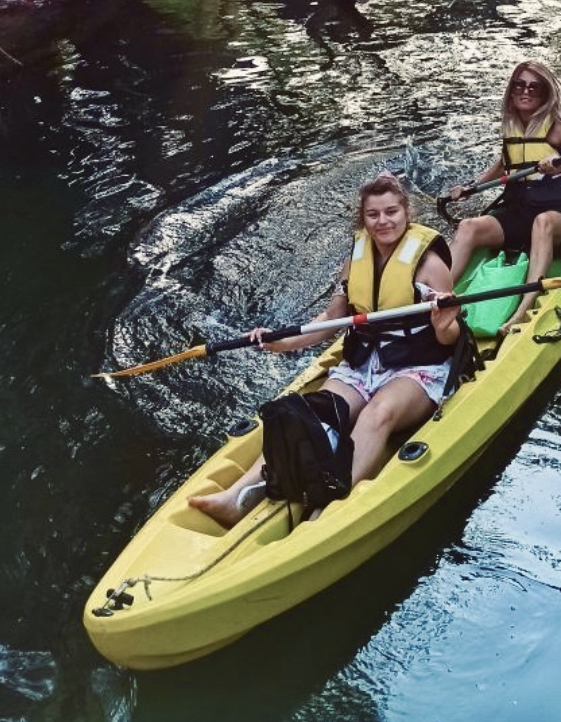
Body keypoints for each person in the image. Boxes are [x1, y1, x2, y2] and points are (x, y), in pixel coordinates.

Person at [189, 172, 460, 528]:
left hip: (419, 365)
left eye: (391, 212)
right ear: (362, 218)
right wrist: (280, 342)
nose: (383, 221)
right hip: (365, 362)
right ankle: (236, 496)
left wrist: (443, 325)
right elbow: (332, 320)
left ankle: (333, 504)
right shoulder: (354, 259)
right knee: (312, 413)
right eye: (373, 214)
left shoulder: (430, 265)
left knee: (377, 414)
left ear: (406, 212)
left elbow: (451, 338)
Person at [447, 61, 561, 332]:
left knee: (542, 223)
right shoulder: (511, 125)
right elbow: (504, 164)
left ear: (545, 94)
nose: (526, 91)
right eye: (519, 85)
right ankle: (435, 295)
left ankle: (523, 310)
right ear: (511, 91)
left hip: (560, 211)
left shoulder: (559, 127)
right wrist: (471, 187)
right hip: (520, 207)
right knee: (468, 226)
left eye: (535, 87)